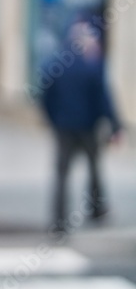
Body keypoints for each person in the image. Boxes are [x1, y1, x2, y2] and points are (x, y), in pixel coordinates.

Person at [40, 20, 123, 232]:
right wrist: (114, 126)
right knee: (94, 169)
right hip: (87, 127)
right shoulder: (91, 66)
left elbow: (46, 97)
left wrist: (52, 120)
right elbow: (103, 99)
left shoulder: (55, 64)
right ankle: (95, 210)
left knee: (62, 174)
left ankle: (59, 221)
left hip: (64, 128)